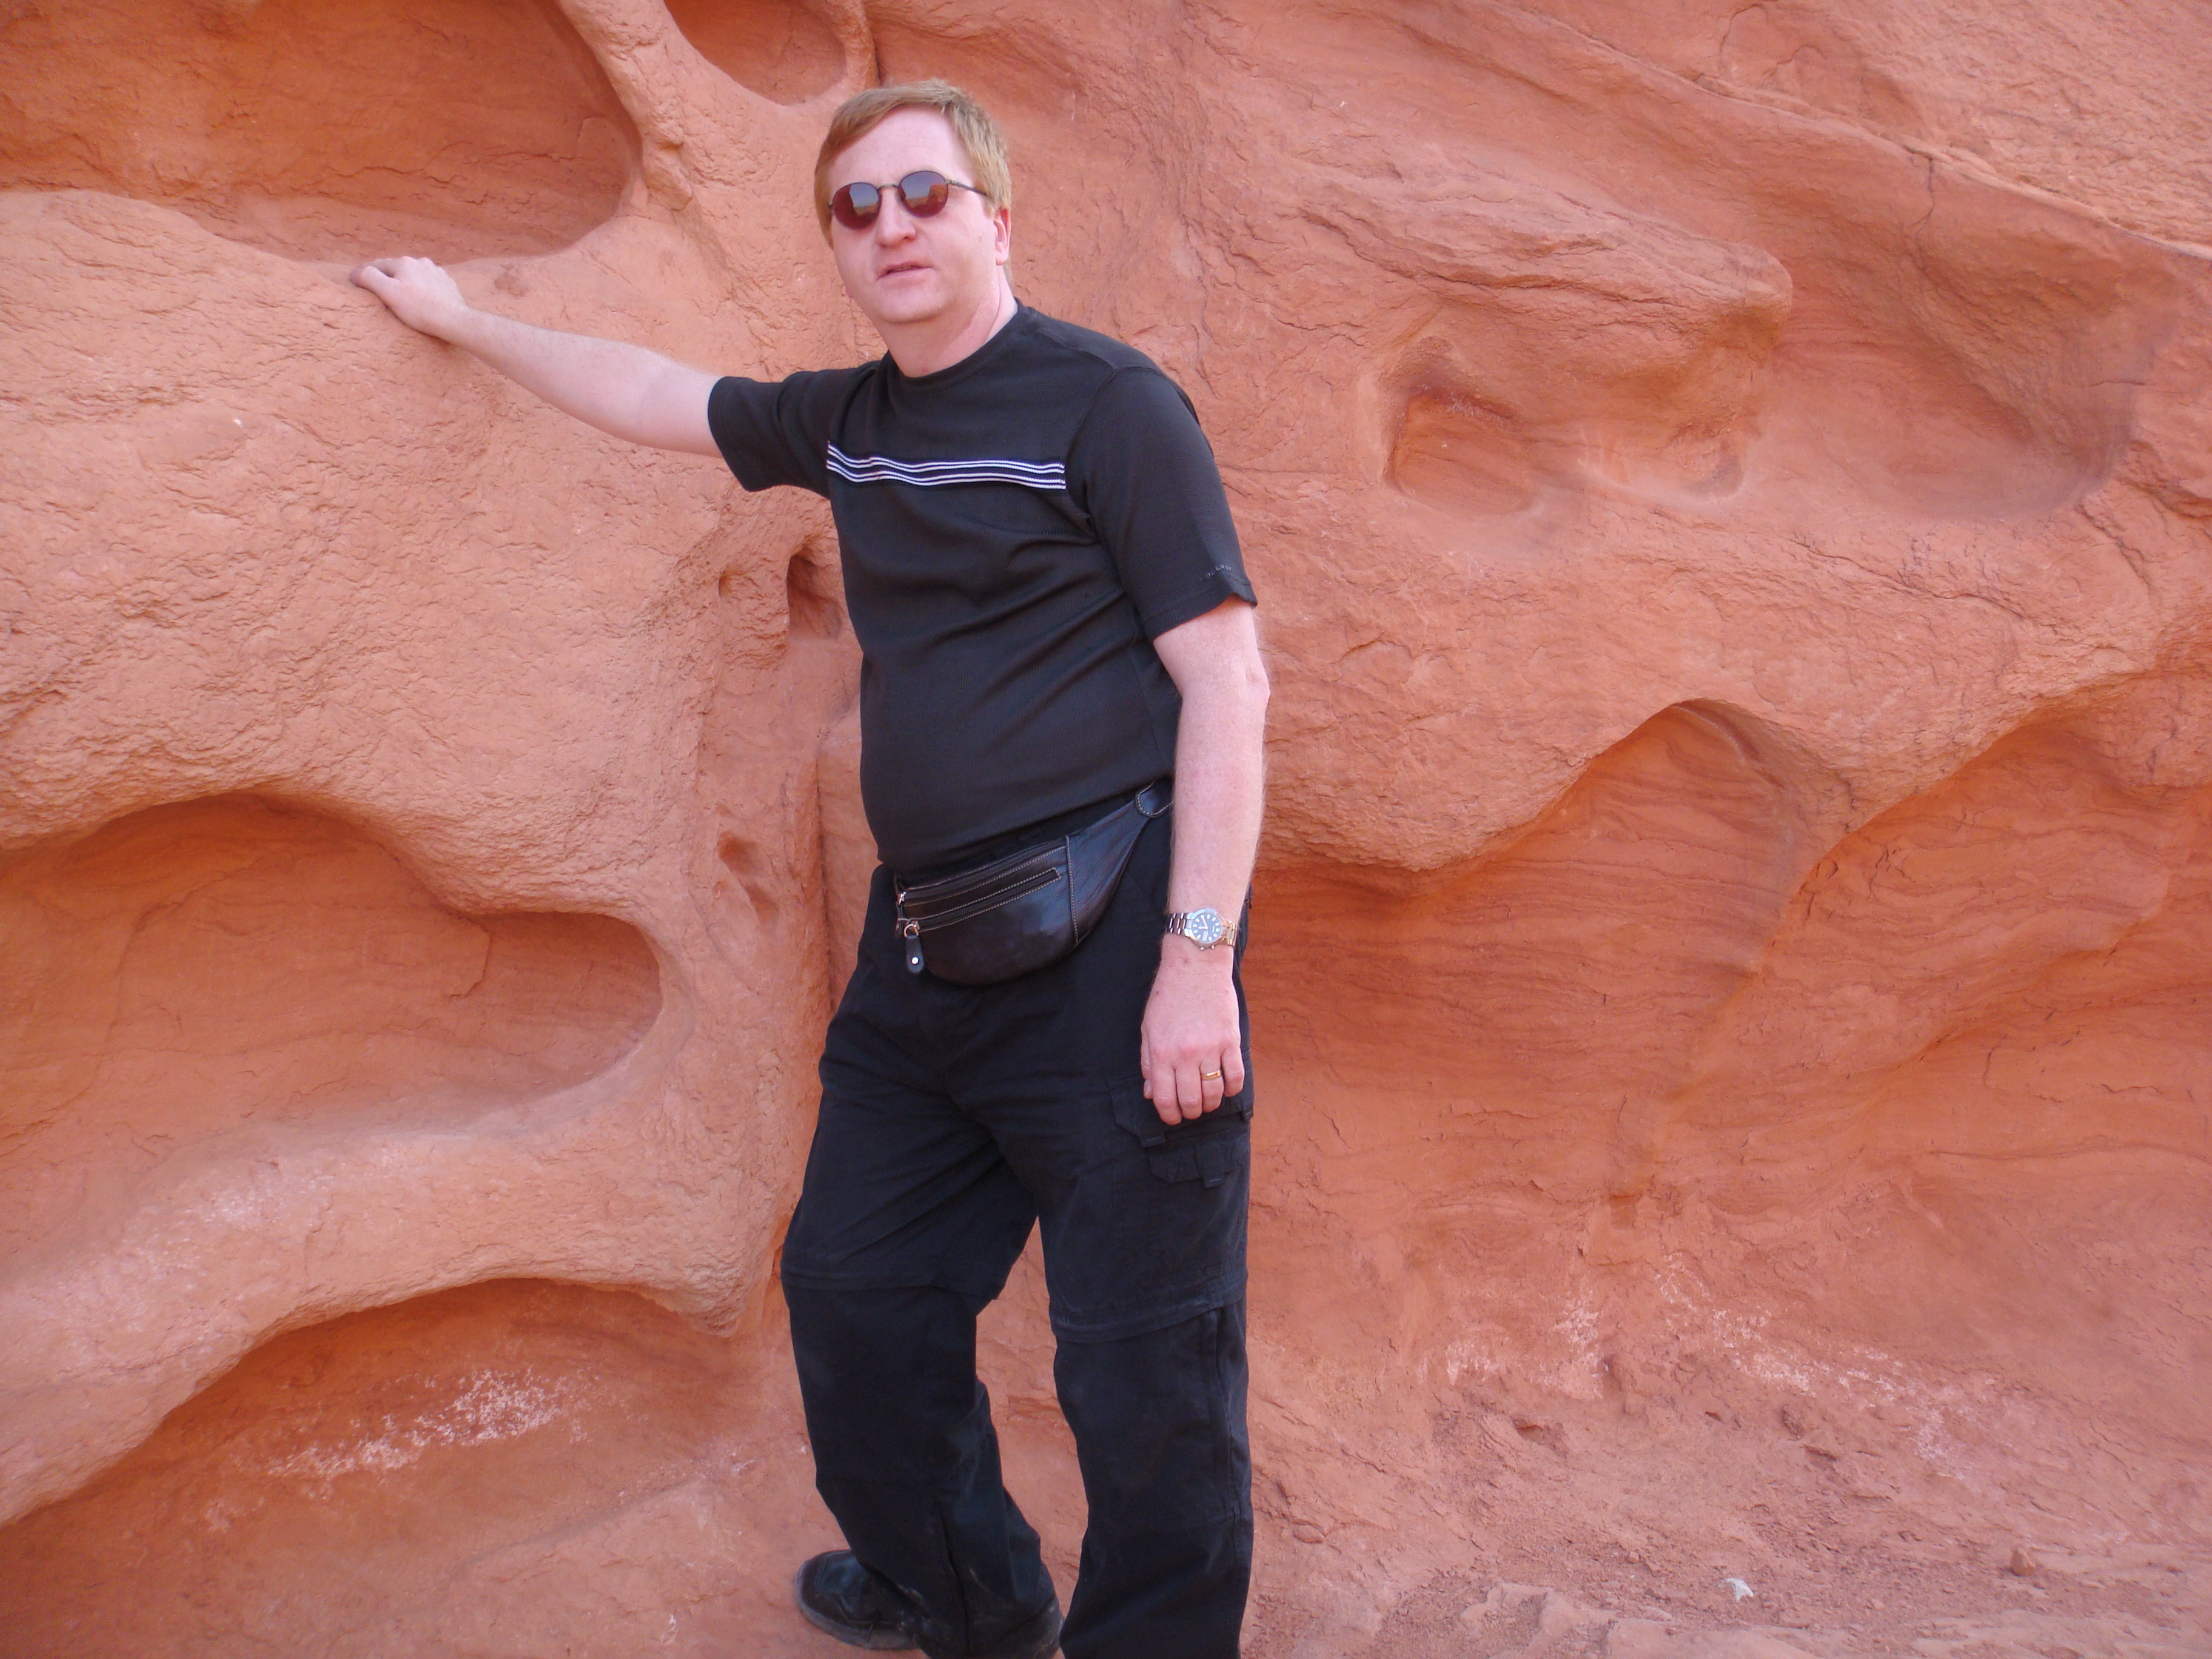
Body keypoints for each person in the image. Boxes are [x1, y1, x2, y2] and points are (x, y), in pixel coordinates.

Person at [353, 79, 1267, 1659]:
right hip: (924, 962)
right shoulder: (854, 424)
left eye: (923, 194)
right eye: (856, 206)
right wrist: (465, 323)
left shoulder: (1109, 408)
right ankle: (966, 1604)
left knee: (1148, 1372)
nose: (890, 226)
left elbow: (1229, 683)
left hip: (1120, 943)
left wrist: (1197, 961)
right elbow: (656, 392)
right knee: (854, 1294)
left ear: (996, 221)